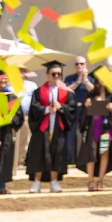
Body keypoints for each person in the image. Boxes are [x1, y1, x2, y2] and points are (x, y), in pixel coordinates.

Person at [27, 60, 72, 193]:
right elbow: (34, 108)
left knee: (57, 155)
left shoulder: (66, 92)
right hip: (42, 128)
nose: (57, 76)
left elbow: (72, 108)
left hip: (59, 127)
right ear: (47, 75)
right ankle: (37, 183)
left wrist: (61, 107)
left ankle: (54, 183)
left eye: (59, 74)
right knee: (39, 154)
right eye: (54, 74)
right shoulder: (39, 91)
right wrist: (47, 109)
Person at [75, 78, 112, 191]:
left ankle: (100, 181)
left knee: (104, 153)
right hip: (92, 129)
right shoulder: (90, 95)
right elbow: (82, 115)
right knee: (91, 154)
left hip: (105, 129)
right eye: (101, 77)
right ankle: (90, 181)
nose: (103, 79)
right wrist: (86, 107)